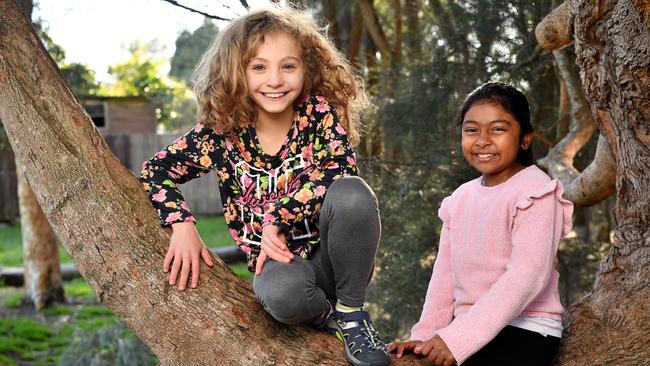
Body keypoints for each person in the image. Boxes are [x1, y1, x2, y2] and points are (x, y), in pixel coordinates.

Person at [139, 7, 390, 366]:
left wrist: (278, 217)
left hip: (331, 254)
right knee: (282, 295)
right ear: (237, 71)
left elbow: (338, 169)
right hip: (278, 263)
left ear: (308, 69)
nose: (275, 80)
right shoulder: (221, 133)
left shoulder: (317, 115)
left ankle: (351, 314)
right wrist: (182, 224)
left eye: (288, 66)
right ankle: (326, 317)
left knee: (354, 193)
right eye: (259, 67)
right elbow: (156, 170)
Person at [388, 82, 574, 366]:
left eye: (498, 129)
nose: (482, 140)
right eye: (471, 130)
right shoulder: (460, 198)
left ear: (525, 137)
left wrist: (459, 338)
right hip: (465, 330)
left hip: (526, 330)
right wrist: (426, 335)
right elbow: (444, 278)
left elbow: (527, 277)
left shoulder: (536, 190)